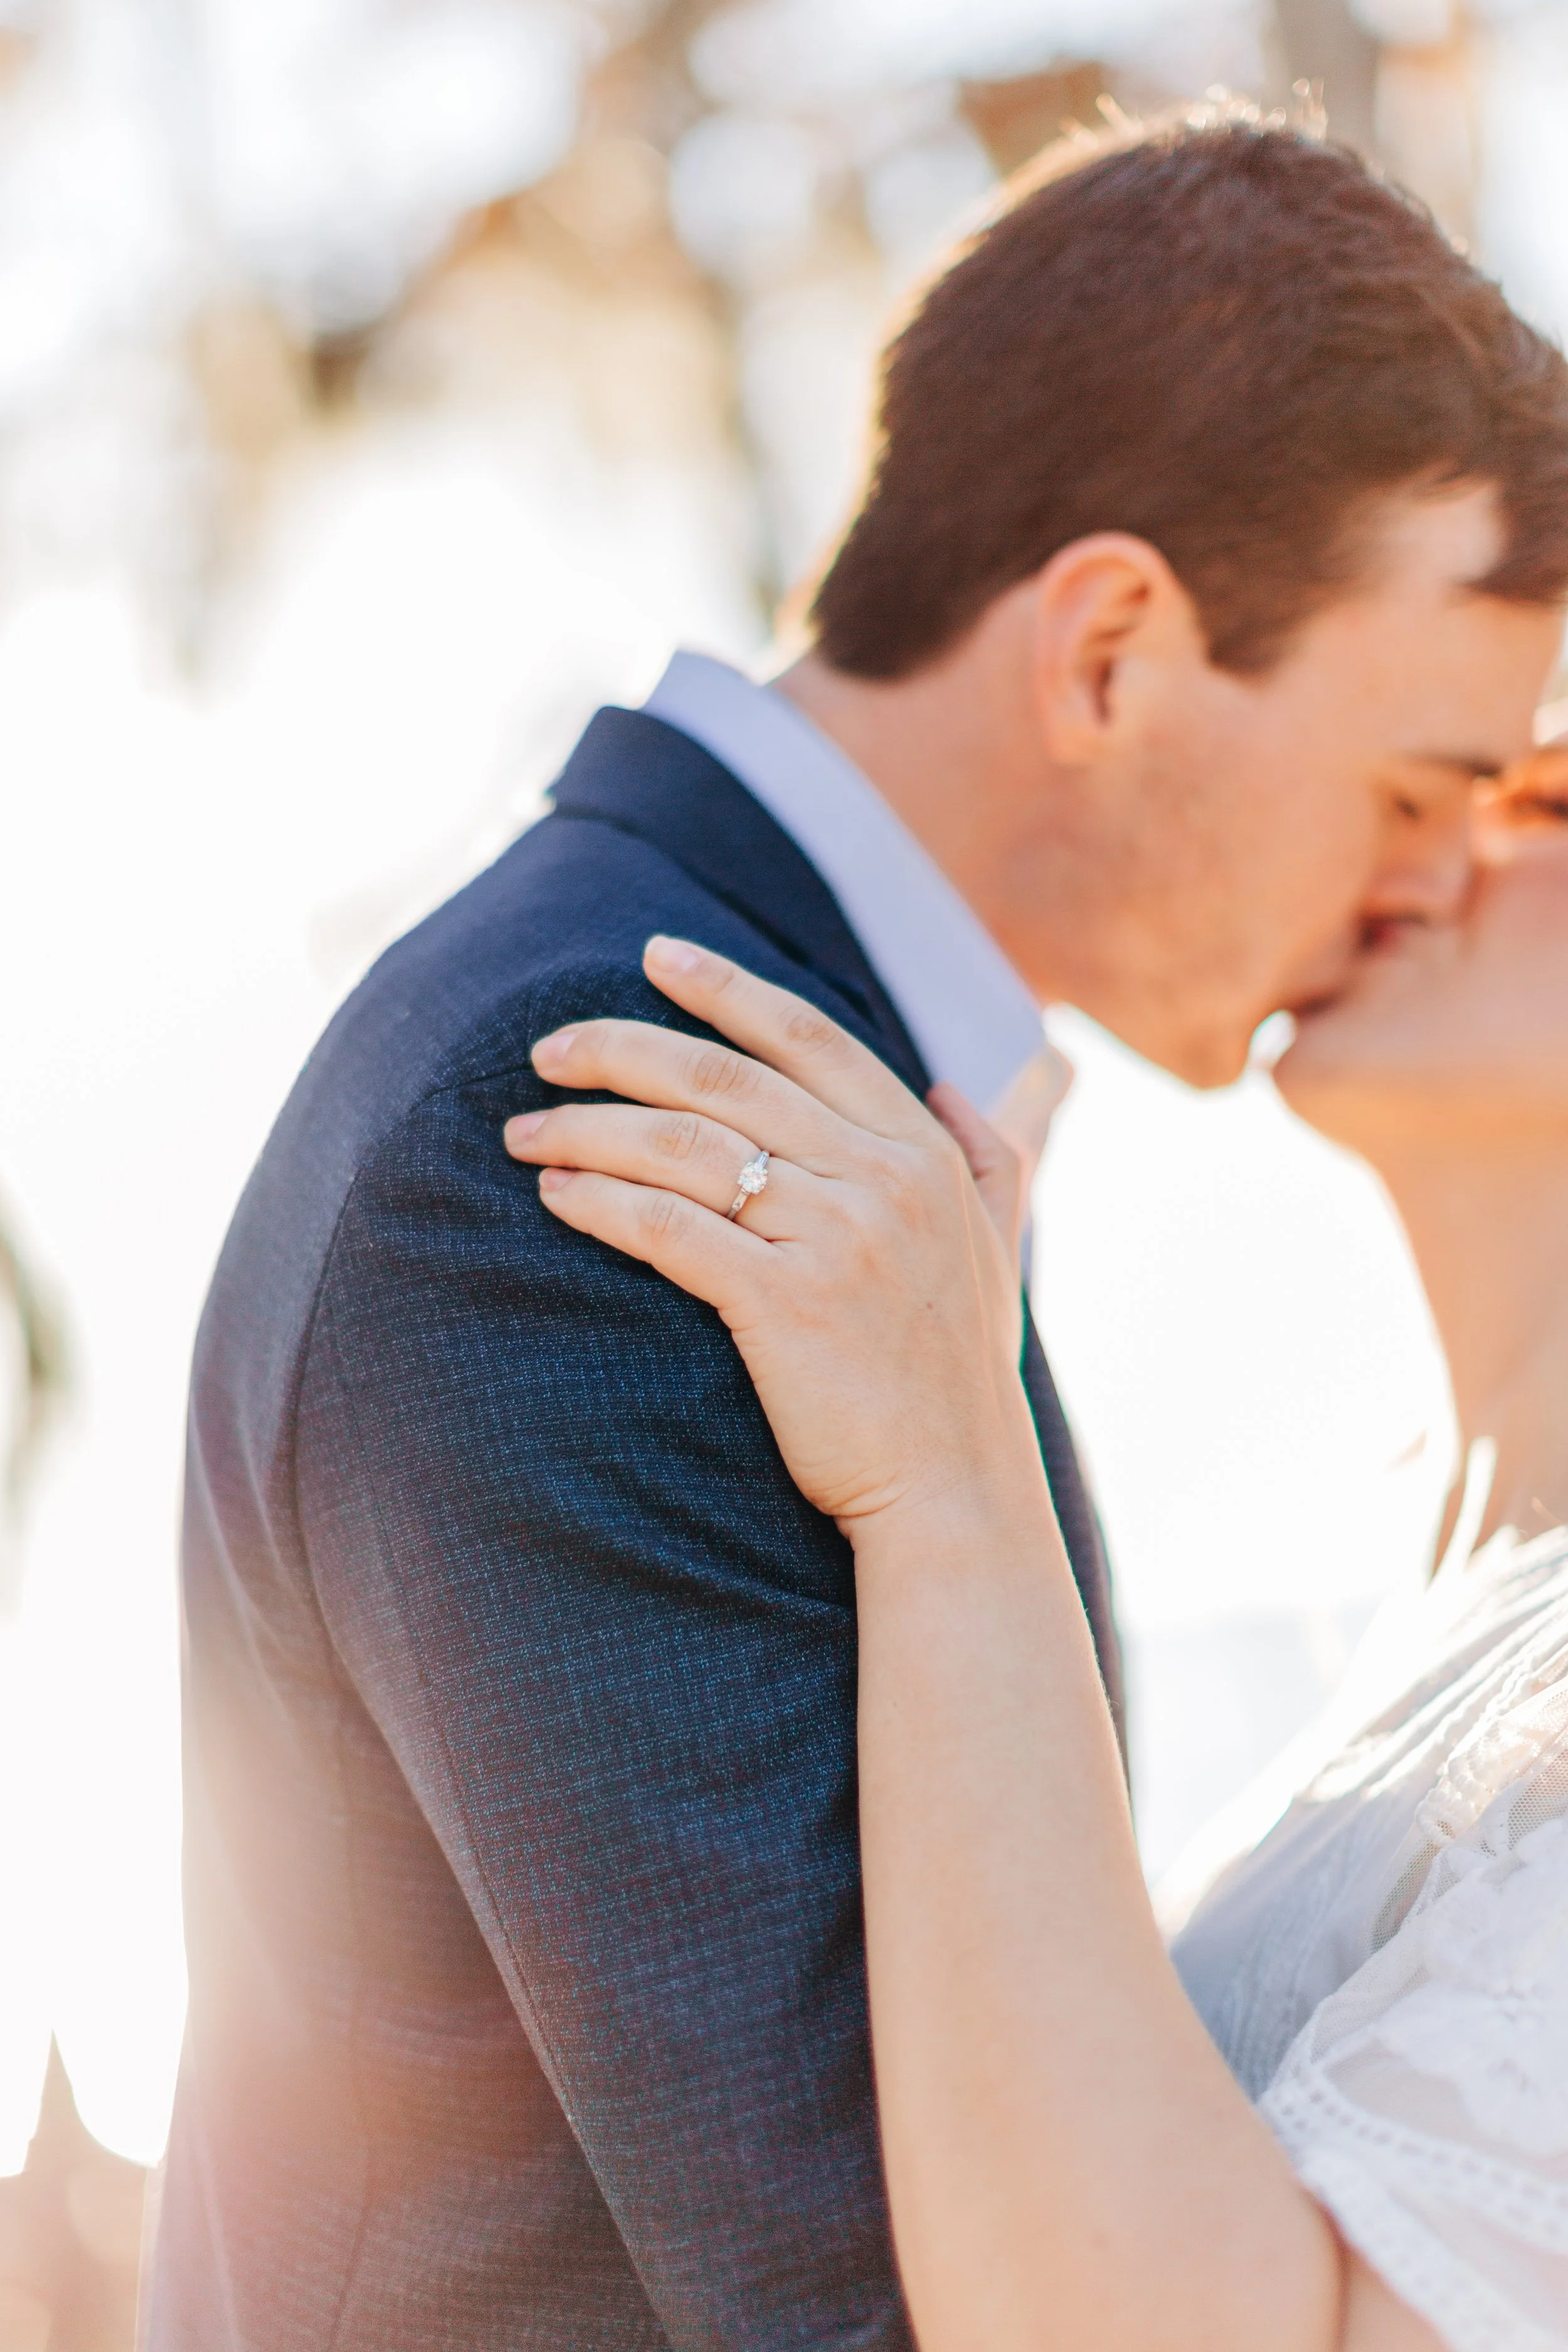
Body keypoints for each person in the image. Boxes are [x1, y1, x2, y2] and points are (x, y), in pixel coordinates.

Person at [148, 112, 1568, 2348]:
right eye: (1412, 789)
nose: (1426, 880)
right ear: (1109, 652)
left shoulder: (799, 1113)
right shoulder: (611, 1110)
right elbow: (862, 2294)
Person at [504, 778, 1568, 2350]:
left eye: (1547, 797)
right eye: (1436, 783)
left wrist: (946, 1472)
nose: (1433, 841)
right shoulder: (1367, 1615)